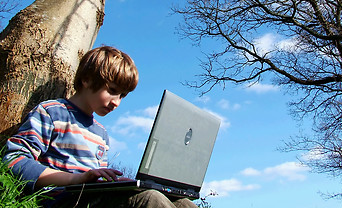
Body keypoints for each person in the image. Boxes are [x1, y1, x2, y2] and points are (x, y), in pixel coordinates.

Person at [3, 46, 198, 208]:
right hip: (62, 199)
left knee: (184, 204)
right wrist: (75, 179)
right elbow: (14, 160)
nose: (117, 103)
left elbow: (97, 179)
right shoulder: (51, 112)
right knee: (150, 200)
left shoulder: (101, 133)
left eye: (122, 96)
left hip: (93, 198)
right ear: (86, 79)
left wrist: (113, 183)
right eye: (112, 91)